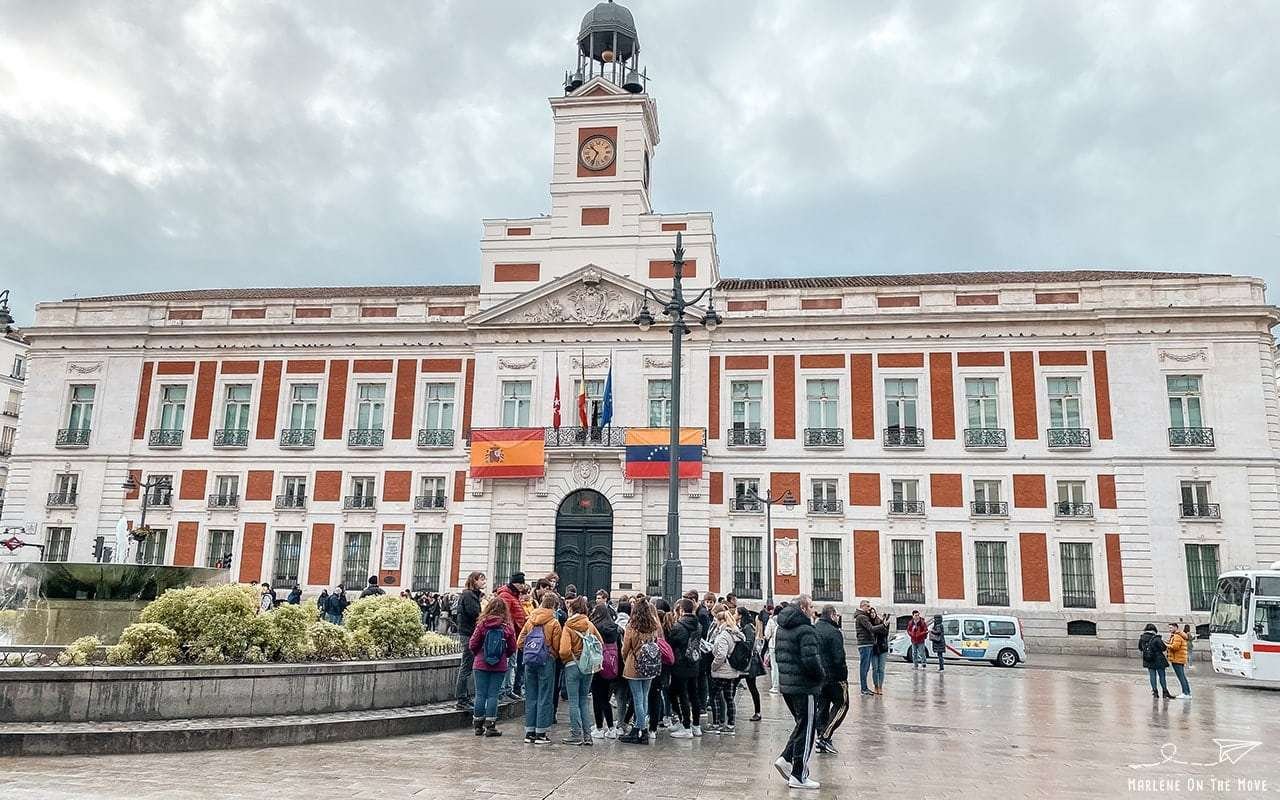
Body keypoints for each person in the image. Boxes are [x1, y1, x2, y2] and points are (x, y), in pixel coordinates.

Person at [772, 595, 825, 791]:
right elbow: (811, 659)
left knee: (803, 725)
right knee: (808, 728)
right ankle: (799, 774)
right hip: (805, 686)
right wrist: (821, 677)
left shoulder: (782, 627)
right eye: (811, 606)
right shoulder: (806, 629)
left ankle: (786, 758)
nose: (813, 610)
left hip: (788, 684)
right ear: (803, 608)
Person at [467, 596, 517, 737]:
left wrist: (479, 654)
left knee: (480, 694)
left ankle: (477, 725)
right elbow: (513, 647)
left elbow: (472, 644)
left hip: (480, 663)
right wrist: (503, 655)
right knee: (493, 695)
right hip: (499, 665)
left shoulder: (482, 624)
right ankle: (491, 726)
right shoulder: (507, 626)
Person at [517, 594, 563, 744]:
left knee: (531, 695)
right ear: (554, 606)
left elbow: (520, 642)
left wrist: (529, 652)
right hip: (546, 661)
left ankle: (529, 731)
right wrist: (551, 654)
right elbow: (557, 646)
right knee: (545, 695)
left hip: (530, 661)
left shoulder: (530, 620)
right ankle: (541, 733)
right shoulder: (554, 622)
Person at [619, 594, 664, 744]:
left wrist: (626, 659)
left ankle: (641, 729)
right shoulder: (653, 626)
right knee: (643, 697)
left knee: (637, 698)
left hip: (635, 664)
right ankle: (638, 728)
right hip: (650, 666)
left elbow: (626, 648)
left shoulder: (632, 627)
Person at [558, 595, 603, 746]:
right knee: (584, 701)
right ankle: (588, 736)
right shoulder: (589, 625)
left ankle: (576, 734)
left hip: (572, 665)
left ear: (572, 609)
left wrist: (569, 659)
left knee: (573, 701)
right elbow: (600, 643)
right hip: (588, 666)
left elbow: (564, 650)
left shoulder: (568, 625)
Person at [666, 598, 705, 738]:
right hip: (694, 663)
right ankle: (696, 726)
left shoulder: (678, 626)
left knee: (680, 694)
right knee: (693, 694)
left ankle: (686, 726)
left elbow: (671, 644)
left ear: (681, 610)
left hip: (680, 664)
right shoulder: (698, 625)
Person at [812, 606, 848, 754]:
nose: (838, 618)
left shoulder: (814, 629)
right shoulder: (834, 632)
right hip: (834, 676)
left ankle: (822, 739)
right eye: (837, 615)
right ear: (832, 615)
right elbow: (839, 657)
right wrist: (843, 676)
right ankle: (824, 737)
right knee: (842, 705)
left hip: (819, 675)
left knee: (823, 706)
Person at [709, 604, 745, 735]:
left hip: (722, 670)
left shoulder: (724, 635)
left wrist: (713, 666)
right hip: (733, 670)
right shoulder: (736, 633)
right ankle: (730, 724)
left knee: (715, 696)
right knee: (729, 698)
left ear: (722, 621)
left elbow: (721, 655)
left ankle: (717, 723)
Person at [589, 601, 623, 739]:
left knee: (597, 698)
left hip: (598, 665)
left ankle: (598, 727)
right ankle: (610, 727)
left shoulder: (596, 627)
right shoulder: (616, 628)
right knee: (606, 698)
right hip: (612, 666)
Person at [454, 571, 486, 710]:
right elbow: (475, 614)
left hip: (468, 632)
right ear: (475, 580)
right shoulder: (468, 595)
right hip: (468, 634)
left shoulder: (471, 595)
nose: (484, 582)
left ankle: (463, 696)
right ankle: (461, 698)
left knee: (467, 666)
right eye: (482, 580)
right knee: (466, 667)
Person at [496, 573, 529, 700]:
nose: (522, 586)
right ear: (515, 583)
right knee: (507, 663)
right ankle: (502, 691)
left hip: (515, 634)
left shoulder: (514, 596)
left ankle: (508, 689)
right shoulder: (506, 596)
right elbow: (504, 615)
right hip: (509, 634)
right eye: (520, 583)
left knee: (512, 664)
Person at [853, 600, 883, 695]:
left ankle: (865, 688)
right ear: (863, 606)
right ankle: (864, 689)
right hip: (865, 644)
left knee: (865, 667)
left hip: (867, 643)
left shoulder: (863, 616)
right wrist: (883, 625)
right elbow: (871, 628)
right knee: (864, 667)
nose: (869, 608)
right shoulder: (862, 617)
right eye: (868, 606)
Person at [1139, 622, 1175, 699]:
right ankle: (1165, 692)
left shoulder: (1142, 638)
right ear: (1154, 630)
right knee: (1162, 676)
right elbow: (1163, 648)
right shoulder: (1156, 638)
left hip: (1148, 659)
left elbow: (1140, 648)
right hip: (1159, 660)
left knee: (1152, 676)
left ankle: (1155, 693)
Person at [1167, 622, 1191, 698]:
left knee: (1181, 676)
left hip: (1177, 659)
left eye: (1171, 628)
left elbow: (1175, 647)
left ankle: (1186, 693)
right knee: (1182, 676)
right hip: (1179, 658)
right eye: (1169, 628)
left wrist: (1166, 645)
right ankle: (1187, 692)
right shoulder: (1179, 635)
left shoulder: (1177, 636)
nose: (1170, 629)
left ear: (1176, 627)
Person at [870, 606, 889, 694]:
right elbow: (871, 632)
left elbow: (885, 633)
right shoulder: (868, 624)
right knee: (875, 669)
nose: (872, 614)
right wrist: (881, 626)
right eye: (871, 613)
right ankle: (876, 686)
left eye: (873, 612)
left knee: (881, 669)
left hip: (882, 648)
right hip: (873, 649)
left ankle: (880, 686)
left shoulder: (881, 621)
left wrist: (884, 624)